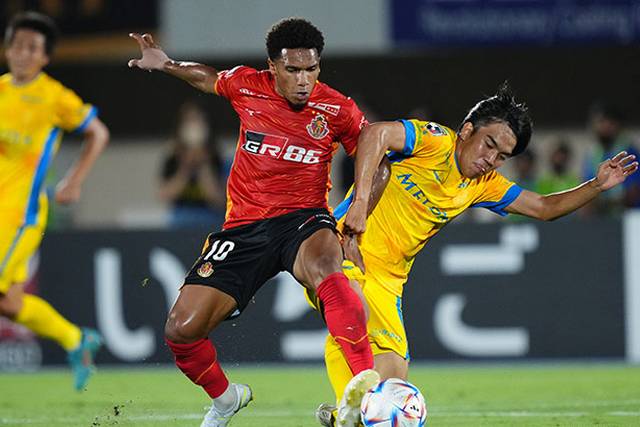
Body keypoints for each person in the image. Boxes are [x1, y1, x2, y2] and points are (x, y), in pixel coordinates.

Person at [312, 83, 638, 426]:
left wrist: (596, 186)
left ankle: (345, 415)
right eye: (489, 145)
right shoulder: (434, 141)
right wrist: (360, 206)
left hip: (389, 280)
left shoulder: (484, 185)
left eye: (502, 157)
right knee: (353, 311)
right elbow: (375, 134)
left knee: (393, 383)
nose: (490, 160)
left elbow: (543, 208)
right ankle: (349, 411)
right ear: (467, 131)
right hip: (343, 247)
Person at [128, 18, 378, 427]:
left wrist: (359, 210)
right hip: (244, 228)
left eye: (312, 69)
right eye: (293, 70)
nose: (304, 80)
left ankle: (368, 392)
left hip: (304, 218)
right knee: (181, 330)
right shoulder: (247, 85)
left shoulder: (338, 108)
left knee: (328, 268)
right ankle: (226, 399)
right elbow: (208, 78)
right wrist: (166, 63)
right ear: (272, 66)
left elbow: (375, 153)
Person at [0, 11, 109, 390]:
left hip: (20, 214)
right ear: (7, 49)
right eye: (17, 45)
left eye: (32, 48)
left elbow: (98, 132)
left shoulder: (53, 97)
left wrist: (73, 180)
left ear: (45, 57)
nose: (23, 54)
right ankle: (76, 339)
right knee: (9, 303)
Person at [160, 100, 226, 228]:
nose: (193, 127)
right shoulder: (173, 157)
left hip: (209, 221)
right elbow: (165, 195)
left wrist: (203, 164)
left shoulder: (216, 157)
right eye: (189, 120)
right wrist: (186, 167)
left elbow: (218, 199)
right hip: (180, 222)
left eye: (197, 120)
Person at [582, 102, 640, 215]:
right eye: (600, 122)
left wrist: (606, 205)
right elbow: (585, 190)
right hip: (599, 218)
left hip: (630, 217)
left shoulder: (629, 152)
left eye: (609, 122)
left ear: (617, 125)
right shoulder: (592, 155)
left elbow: (634, 192)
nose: (604, 127)